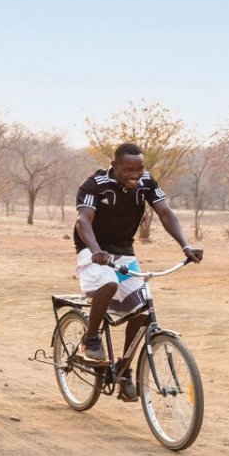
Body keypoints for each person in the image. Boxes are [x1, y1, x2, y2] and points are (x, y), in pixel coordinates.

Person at [73, 142, 203, 399]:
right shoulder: (94, 185)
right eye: (128, 169)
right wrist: (96, 250)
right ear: (115, 166)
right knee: (108, 283)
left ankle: (124, 371)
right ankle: (90, 340)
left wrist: (185, 245)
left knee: (142, 310)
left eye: (140, 168)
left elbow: (165, 213)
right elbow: (83, 221)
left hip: (124, 251)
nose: (135, 174)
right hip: (92, 250)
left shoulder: (147, 182)